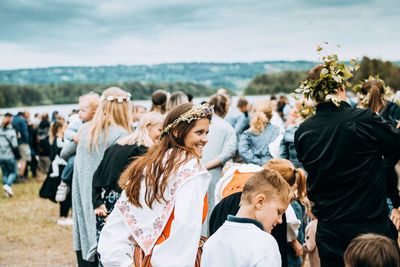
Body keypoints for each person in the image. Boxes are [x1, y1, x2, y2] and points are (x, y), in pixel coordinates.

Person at [294, 59, 400, 266]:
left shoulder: (303, 132)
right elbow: (396, 146)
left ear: (312, 95)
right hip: (369, 225)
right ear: (341, 87)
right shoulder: (364, 119)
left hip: (330, 228)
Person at [98, 103, 213, 266]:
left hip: (138, 260)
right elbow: (185, 229)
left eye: (207, 132)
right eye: (199, 132)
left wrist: (122, 261)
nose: (205, 139)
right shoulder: (191, 171)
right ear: (177, 131)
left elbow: (117, 224)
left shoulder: (147, 165)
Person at [73, 87, 132, 266]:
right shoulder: (122, 135)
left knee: (86, 243)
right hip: (106, 200)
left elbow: (65, 153)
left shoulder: (84, 131)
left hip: (83, 195)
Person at [92, 112, 163, 242]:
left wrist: (97, 202)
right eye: (160, 130)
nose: (163, 135)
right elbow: (134, 185)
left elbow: (97, 174)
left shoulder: (117, 145)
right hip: (125, 202)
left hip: (105, 200)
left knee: (105, 244)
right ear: (147, 127)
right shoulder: (143, 151)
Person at [201, 169, 292, 267]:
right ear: (259, 202)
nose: (280, 220)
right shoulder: (265, 244)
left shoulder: (211, 242)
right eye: (279, 212)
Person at [55, 92, 100, 202]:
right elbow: (67, 131)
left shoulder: (98, 124)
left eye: (83, 111)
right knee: (72, 161)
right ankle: (63, 183)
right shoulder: (78, 122)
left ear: (94, 113)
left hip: (91, 153)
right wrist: (74, 136)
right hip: (77, 150)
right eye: (79, 110)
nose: (79, 113)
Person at [202, 93, 237, 233]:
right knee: (212, 209)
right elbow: (228, 153)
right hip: (215, 173)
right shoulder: (227, 127)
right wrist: (208, 165)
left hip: (194, 170)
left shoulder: (200, 123)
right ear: (226, 108)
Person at [265, 158, 308, 267]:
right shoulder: (294, 202)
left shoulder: (286, 205)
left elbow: (291, 225)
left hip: (289, 252)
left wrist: (294, 242)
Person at [238, 99, 280, 165]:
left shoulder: (247, 133)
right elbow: (281, 152)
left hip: (255, 169)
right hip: (273, 167)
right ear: (271, 115)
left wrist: (258, 162)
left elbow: (243, 152)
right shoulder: (278, 130)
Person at [0, 113, 18, 197]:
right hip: (10, 155)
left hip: (1, 156)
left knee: (5, 173)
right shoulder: (11, 132)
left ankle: (7, 192)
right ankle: (7, 185)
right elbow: (15, 145)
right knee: (14, 172)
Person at [11, 111, 31, 182]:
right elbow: (24, 132)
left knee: (16, 160)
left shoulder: (13, 119)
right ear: (23, 115)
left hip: (14, 143)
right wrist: (27, 141)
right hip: (22, 142)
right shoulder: (22, 120)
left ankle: (15, 176)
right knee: (24, 159)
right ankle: (21, 177)